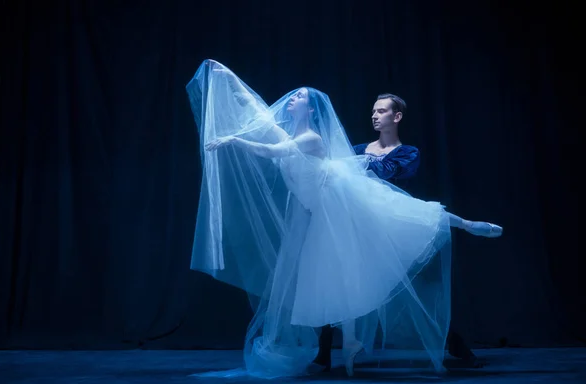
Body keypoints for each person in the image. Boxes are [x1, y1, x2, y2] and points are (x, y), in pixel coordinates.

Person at [186, 59, 502, 379]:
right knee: (336, 280)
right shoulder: (286, 133)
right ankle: (347, 343)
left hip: (342, 205)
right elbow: (260, 117)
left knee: (407, 213)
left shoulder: (310, 139)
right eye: (292, 98)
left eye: (300, 98)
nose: (292, 99)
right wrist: (228, 80)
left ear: (310, 111)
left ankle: (466, 224)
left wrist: (234, 140)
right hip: (322, 216)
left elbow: (273, 152)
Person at [313, 93, 479, 372]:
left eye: (381, 111)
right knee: (336, 284)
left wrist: (354, 165)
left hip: (393, 232)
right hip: (358, 229)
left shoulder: (407, 153)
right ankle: (324, 353)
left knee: (416, 293)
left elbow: (387, 173)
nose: (374, 116)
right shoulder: (356, 150)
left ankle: (456, 345)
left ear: (396, 117)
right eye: (373, 111)